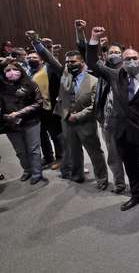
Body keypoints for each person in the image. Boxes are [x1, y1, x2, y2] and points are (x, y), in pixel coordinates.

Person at [86, 26, 139, 212]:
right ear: (122, 60)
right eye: (127, 59)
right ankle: (137, 194)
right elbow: (92, 63)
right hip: (121, 133)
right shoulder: (115, 76)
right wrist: (93, 40)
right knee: (130, 167)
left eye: (134, 58)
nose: (130, 61)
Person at [27, 30, 109, 188]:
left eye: (73, 62)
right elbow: (49, 59)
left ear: (82, 63)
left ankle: (102, 179)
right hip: (66, 122)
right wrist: (36, 42)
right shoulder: (64, 75)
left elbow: (94, 105)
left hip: (86, 123)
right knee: (73, 152)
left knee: (95, 153)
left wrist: (76, 116)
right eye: (67, 62)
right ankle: (77, 175)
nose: (69, 64)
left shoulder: (93, 80)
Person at [79, 22, 127, 194]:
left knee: (134, 156)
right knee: (113, 156)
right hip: (108, 121)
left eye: (117, 52)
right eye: (111, 52)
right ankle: (119, 183)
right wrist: (93, 39)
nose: (114, 54)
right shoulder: (104, 70)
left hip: (128, 122)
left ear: (123, 55)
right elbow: (91, 61)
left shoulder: (130, 70)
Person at [0, 58, 44, 184]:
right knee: (20, 151)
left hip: (31, 121)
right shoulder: (2, 87)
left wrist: (19, 113)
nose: (12, 72)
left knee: (33, 149)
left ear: (21, 70)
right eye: (7, 70)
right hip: (10, 124)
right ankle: (27, 170)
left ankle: (37, 172)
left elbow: (39, 103)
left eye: (15, 69)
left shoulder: (30, 84)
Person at [26, 47, 64, 170]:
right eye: (29, 58)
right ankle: (48, 158)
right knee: (42, 137)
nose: (31, 59)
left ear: (41, 60)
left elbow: (52, 61)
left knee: (56, 135)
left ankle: (61, 158)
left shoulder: (47, 70)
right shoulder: (28, 73)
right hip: (36, 111)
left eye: (34, 58)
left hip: (49, 110)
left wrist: (50, 50)